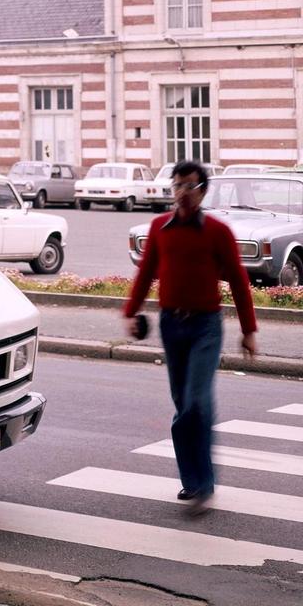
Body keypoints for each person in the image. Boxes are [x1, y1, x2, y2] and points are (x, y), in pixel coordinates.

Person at [123, 160, 257, 514]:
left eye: (190, 187)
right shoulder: (160, 228)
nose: (182, 193)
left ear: (203, 191)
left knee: (197, 402)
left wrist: (249, 330)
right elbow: (146, 272)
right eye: (177, 185)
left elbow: (240, 283)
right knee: (183, 406)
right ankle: (192, 482)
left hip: (205, 327)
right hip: (172, 325)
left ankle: (204, 483)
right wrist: (130, 311)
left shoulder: (217, 231)